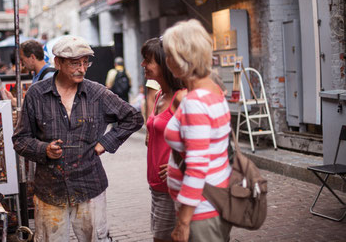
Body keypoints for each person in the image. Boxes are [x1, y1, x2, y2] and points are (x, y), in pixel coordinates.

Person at [12, 35, 144, 242]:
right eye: (75, 63)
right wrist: (43, 149)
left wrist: (106, 143)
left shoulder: (97, 93)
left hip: (89, 185)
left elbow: (133, 117)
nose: (82, 69)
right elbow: (20, 139)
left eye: (85, 63)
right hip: (50, 189)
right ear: (58, 62)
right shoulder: (36, 95)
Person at [162, 19, 232, 242]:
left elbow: (198, 166)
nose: (166, 60)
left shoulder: (195, 102)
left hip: (201, 211)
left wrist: (183, 222)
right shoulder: (214, 90)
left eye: (169, 54)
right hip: (212, 199)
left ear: (183, 57)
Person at [141, 38, 186, 242]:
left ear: (164, 63)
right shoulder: (160, 94)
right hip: (158, 186)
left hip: (173, 187)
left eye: (148, 60)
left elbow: (204, 140)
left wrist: (182, 165)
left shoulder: (181, 97)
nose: (143, 65)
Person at [3, 40, 55, 106]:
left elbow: (47, 107)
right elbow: (35, 102)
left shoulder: (48, 77)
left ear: (32, 57)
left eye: (22, 59)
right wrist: (13, 100)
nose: (22, 64)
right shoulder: (37, 75)